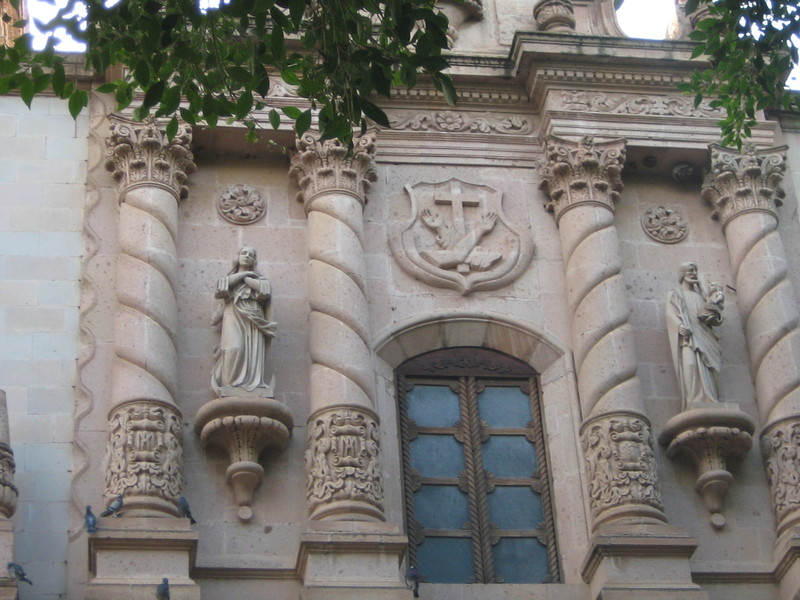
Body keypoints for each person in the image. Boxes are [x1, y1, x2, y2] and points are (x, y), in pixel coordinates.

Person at [212, 246, 277, 397]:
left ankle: (251, 383)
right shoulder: (229, 279)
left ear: (254, 260)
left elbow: (265, 291)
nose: (247, 256)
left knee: (251, 352)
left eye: (251, 255)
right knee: (233, 348)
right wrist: (244, 274)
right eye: (244, 253)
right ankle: (230, 384)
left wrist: (247, 277)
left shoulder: (260, 280)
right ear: (238, 257)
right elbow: (221, 288)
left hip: (254, 318)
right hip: (233, 315)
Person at [666, 262, 723, 410]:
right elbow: (670, 313)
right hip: (688, 337)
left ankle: (710, 398)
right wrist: (679, 326)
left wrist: (713, 302)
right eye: (690, 271)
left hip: (705, 337)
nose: (693, 274)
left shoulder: (702, 297)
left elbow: (710, 317)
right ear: (682, 274)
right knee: (690, 364)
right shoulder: (675, 294)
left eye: (695, 271)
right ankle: (693, 400)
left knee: (707, 367)